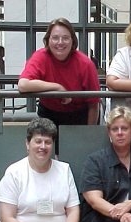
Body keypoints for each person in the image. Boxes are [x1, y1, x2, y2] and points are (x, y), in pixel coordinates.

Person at [18, 17, 100, 158]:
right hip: (49, 115)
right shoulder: (40, 57)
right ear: (48, 40)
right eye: (55, 38)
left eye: (65, 38)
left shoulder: (85, 63)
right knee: (46, 158)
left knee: (77, 158)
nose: (60, 43)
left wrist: (88, 134)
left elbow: (93, 104)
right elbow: (23, 84)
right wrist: (57, 88)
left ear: (73, 41)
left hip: (79, 117)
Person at [79, 105, 131, 222]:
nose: (120, 133)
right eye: (115, 129)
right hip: (102, 220)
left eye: (124, 128)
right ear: (109, 133)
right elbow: (94, 200)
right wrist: (121, 214)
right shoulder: (95, 161)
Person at [0, 118, 80, 222]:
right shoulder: (14, 172)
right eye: (38, 141)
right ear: (27, 144)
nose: (43, 147)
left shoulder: (64, 170)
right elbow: (7, 218)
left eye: (48, 142)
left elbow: (73, 211)